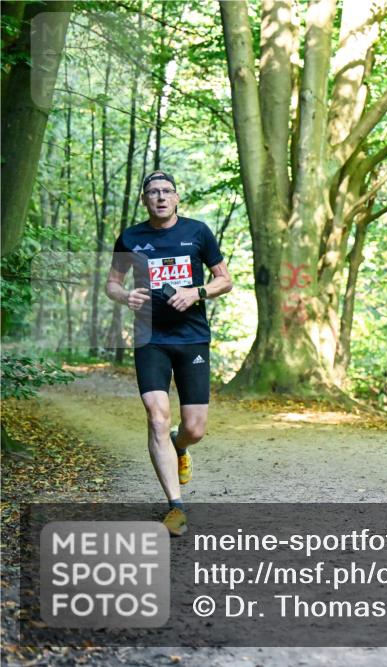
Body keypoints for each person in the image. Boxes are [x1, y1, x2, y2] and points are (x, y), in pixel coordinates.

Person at [105, 171, 232, 535]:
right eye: (153, 192)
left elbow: (225, 279)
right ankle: (176, 507)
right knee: (156, 417)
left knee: (195, 428)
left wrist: (197, 293)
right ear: (145, 200)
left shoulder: (198, 232)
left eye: (166, 191)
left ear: (177, 198)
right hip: (150, 338)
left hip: (192, 338)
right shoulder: (131, 237)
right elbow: (112, 284)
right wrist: (125, 296)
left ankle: (180, 447)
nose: (160, 197)